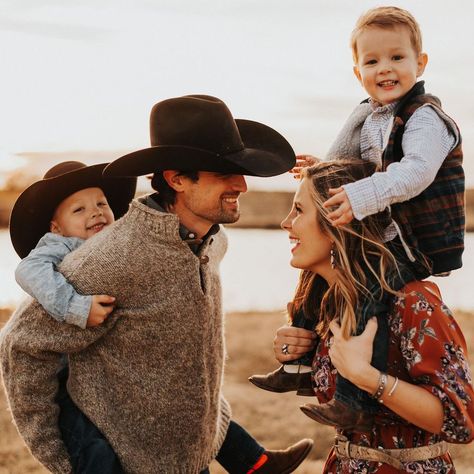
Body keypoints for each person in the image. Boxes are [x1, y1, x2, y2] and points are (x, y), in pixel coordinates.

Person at [0, 95, 313, 474]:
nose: (242, 185)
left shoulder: (215, 242)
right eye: (224, 173)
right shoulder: (111, 257)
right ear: (176, 179)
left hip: (193, 457)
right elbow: (21, 344)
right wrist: (62, 455)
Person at [250, 5, 465, 430]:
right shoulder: (371, 117)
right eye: (372, 61)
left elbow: (415, 172)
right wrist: (319, 169)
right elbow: (349, 163)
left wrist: (361, 195)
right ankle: (301, 365)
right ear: (357, 72)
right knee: (315, 283)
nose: (385, 69)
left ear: (420, 64)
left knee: (369, 294)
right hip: (388, 237)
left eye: (396, 58)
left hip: (416, 244)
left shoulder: (426, 119)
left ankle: (353, 399)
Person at [276, 159, 473, 472]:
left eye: (298, 210)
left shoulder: (412, 302)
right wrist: (302, 352)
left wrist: (367, 378)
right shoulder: (336, 303)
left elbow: (458, 420)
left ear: (336, 223)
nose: (286, 223)